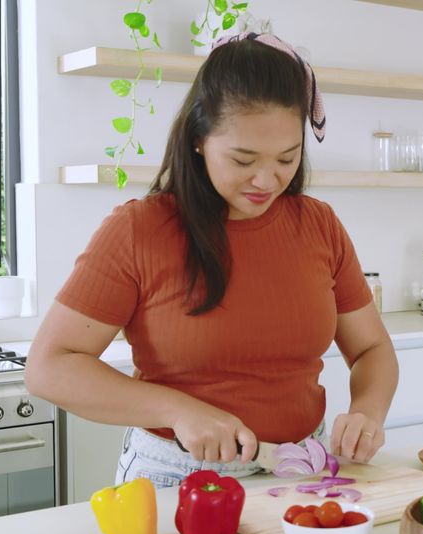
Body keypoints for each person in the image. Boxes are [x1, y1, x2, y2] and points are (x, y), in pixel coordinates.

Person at [24, 32, 399, 487]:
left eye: (287, 158)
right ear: (199, 139)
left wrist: (367, 412)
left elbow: (372, 349)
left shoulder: (319, 225)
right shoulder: (139, 230)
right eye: (243, 160)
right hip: (177, 474)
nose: (267, 179)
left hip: (301, 467)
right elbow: (49, 366)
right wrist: (177, 410)